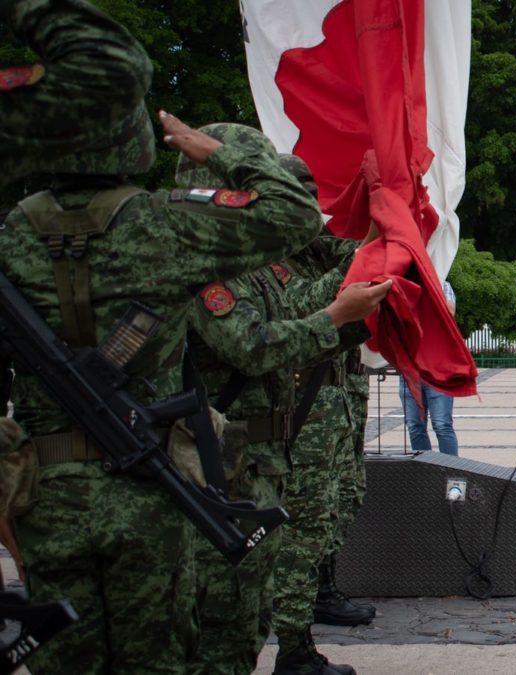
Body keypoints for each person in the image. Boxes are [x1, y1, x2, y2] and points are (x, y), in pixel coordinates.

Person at [0, 3, 324, 671]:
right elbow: (295, 213)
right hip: (149, 491)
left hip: (44, 497)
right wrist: (220, 150)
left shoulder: (11, 238)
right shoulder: (163, 226)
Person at [179, 142, 389, 675]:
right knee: (222, 608)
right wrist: (338, 315)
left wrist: (379, 208)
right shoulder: (212, 265)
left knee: (250, 605)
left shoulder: (259, 262)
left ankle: (293, 647)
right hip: (226, 457)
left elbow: (307, 302)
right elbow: (254, 345)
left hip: (265, 452)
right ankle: (292, 652)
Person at [398, 280, 460, 454]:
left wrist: (429, 288)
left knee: (442, 425)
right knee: (415, 426)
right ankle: (424, 472)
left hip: (438, 370)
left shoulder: (442, 284)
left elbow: (449, 311)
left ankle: (449, 472)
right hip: (410, 371)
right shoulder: (403, 285)